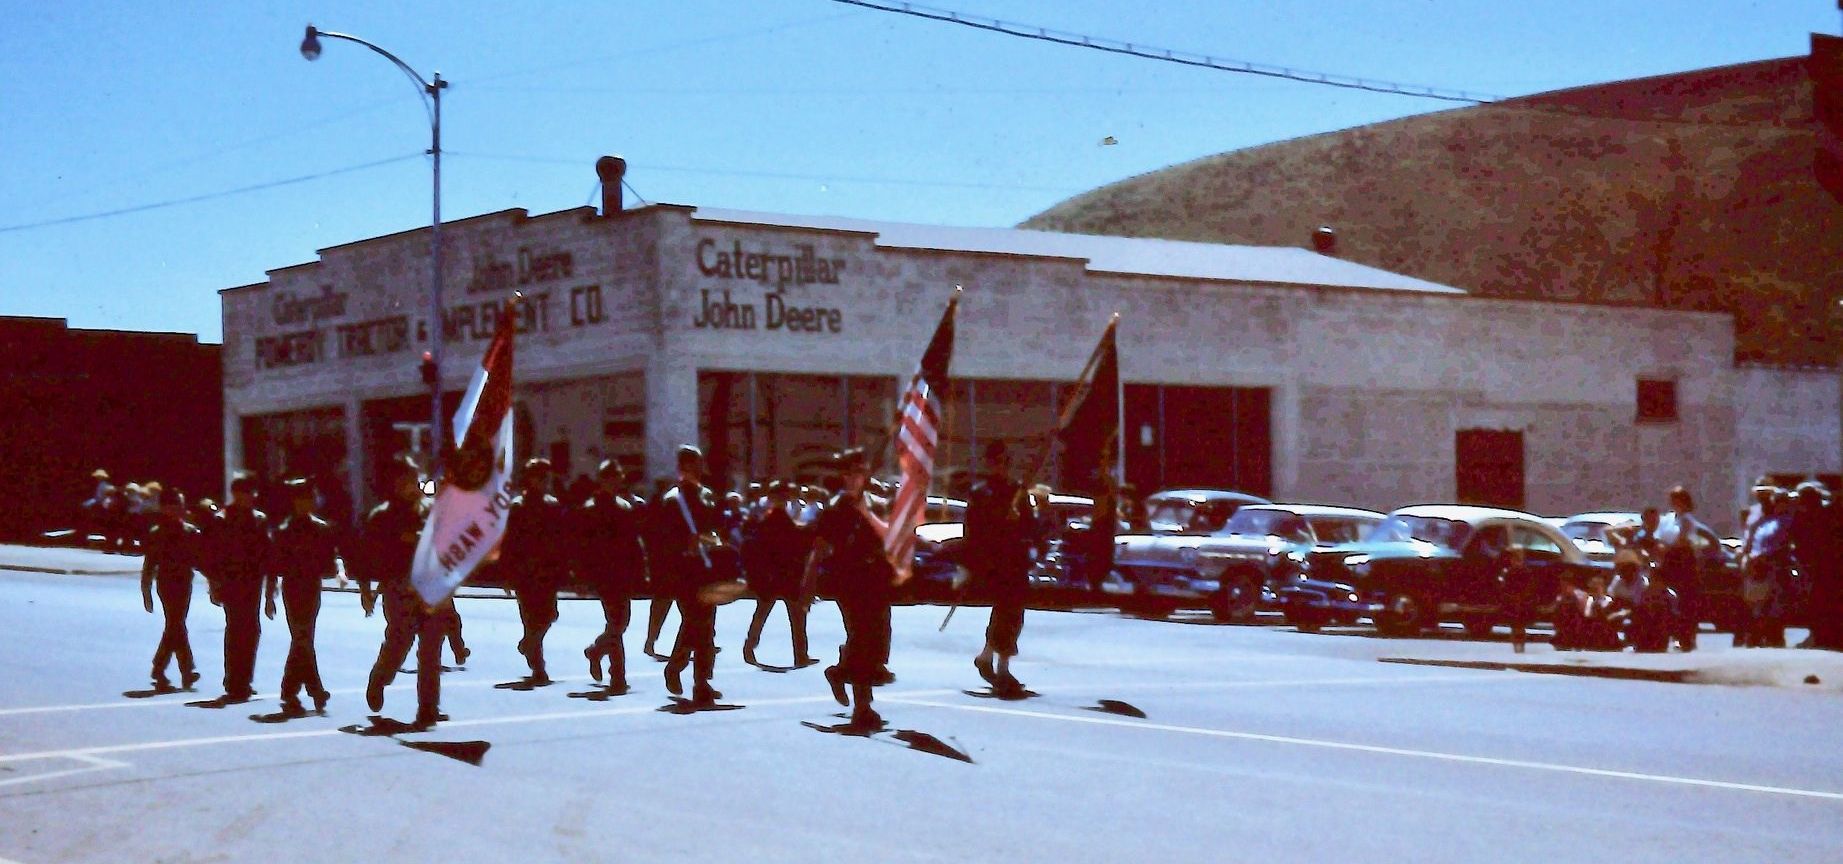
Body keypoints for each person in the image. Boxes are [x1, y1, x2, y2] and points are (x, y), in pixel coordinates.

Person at [805, 448, 896, 729]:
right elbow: (819, 548)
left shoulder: (874, 503)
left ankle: (841, 672)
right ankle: (862, 707)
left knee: (880, 635)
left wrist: (868, 513)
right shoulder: (836, 508)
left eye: (862, 471)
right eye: (853, 472)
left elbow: (888, 534)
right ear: (844, 476)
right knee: (861, 637)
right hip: (850, 579)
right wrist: (807, 583)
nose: (858, 477)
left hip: (876, 578)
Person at [360, 457, 450, 728]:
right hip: (398, 587)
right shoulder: (382, 517)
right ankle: (380, 677)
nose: (411, 485)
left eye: (414, 479)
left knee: (431, 648)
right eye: (405, 480)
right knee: (400, 641)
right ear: (395, 483)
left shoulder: (431, 510)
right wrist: (366, 589)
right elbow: (366, 558)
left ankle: (428, 708)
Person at [651, 446, 730, 705]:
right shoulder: (672, 500)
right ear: (681, 467)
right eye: (691, 464)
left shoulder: (707, 496)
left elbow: (717, 529)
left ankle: (701, 682)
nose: (697, 468)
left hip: (708, 570)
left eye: (698, 463)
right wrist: (684, 547)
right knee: (695, 622)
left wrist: (715, 543)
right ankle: (677, 667)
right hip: (684, 571)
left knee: (706, 625)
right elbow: (662, 539)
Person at [964, 442, 1036, 692]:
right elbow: (973, 530)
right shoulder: (980, 493)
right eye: (998, 462)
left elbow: (1031, 528)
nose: (1002, 468)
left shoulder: (1019, 492)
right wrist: (972, 563)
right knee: (1005, 611)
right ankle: (1001, 667)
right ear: (989, 463)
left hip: (1016, 561)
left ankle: (986, 656)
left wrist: (1023, 520)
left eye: (1006, 463)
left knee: (1013, 614)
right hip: (993, 561)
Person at [263, 478, 338, 716]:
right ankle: (313, 690)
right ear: (294, 502)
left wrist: (334, 570)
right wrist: (269, 595)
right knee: (302, 639)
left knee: (303, 640)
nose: (306, 504)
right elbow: (274, 565)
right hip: (293, 588)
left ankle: (291, 691)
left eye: (310, 499)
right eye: (302, 499)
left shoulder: (321, 529)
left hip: (312, 587)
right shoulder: (285, 531)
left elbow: (329, 562)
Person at [577, 459, 649, 690]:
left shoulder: (624, 507)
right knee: (617, 622)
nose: (618, 482)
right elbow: (582, 546)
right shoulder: (590, 509)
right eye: (614, 477)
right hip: (603, 573)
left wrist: (641, 570)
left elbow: (634, 542)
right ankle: (617, 675)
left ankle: (597, 651)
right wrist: (581, 576)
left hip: (622, 572)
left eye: (619, 478)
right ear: (604, 480)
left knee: (620, 622)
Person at [201, 473, 270, 702]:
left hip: (253, 581)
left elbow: (267, 555)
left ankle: (244, 680)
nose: (251, 497)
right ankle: (234, 680)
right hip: (230, 580)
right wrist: (213, 584)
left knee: (251, 629)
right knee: (235, 629)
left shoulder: (259, 519)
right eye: (247, 492)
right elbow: (209, 556)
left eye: (253, 493)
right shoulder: (221, 520)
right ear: (236, 494)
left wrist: (270, 587)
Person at [501, 458, 571, 684]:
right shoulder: (518, 506)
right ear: (530, 479)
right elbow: (510, 542)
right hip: (525, 572)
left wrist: (565, 568)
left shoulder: (552, 504)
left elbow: (562, 540)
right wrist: (507, 574)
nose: (543, 481)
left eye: (546, 477)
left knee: (550, 615)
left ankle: (528, 644)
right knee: (530, 618)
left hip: (548, 570)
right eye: (539, 477)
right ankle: (538, 667)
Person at [741, 480, 816, 668]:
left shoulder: (768, 521)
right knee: (795, 616)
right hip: (783, 574)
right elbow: (798, 545)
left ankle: (750, 646)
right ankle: (800, 654)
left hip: (774, 575)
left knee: (767, 612)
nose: (785, 499)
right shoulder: (779, 521)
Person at [140, 489, 201, 691]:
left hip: (185, 583)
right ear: (165, 508)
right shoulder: (158, 533)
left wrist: (215, 581)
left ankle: (162, 669)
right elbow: (150, 563)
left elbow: (199, 560)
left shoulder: (190, 532)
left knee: (175, 626)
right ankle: (182, 670)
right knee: (176, 624)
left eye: (181, 505)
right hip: (166, 584)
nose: (180, 509)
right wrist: (146, 589)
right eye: (175, 506)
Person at [1654, 486, 1710, 651]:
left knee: (1685, 601)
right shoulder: (1667, 519)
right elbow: (1658, 538)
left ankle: (1687, 637)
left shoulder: (1688, 520)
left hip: (1683, 561)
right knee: (1668, 599)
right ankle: (1671, 635)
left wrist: (1669, 547)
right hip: (1667, 561)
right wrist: (1661, 550)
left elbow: (1684, 540)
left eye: (1678, 499)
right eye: (1673, 499)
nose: (1674, 502)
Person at [1736, 488, 1794, 648]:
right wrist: (1749, 556)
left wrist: (1763, 555)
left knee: (1773, 604)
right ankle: (1755, 637)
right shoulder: (1765, 521)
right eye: (1777, 501)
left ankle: (1774, 638)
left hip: (1775, 565)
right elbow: (1755, 541)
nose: (1778, 505)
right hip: (1758, 565)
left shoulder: (1787, 521)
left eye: (1782, 502)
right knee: (1758, 603)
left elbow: (1779, 543)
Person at [1791, 481, 1841, 650]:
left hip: (1826, 566)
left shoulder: (1824, 515)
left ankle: (1825, 636)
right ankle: (1821, 635)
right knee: (1817, 602)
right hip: (1817, 566)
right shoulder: (1807, 516)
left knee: (1822, 601)